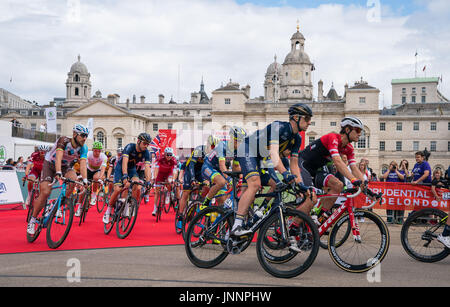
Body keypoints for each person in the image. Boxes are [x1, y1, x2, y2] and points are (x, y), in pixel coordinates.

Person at [231, 103, 313, 237]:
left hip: (260, 157)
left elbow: (294, 165)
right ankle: (237, 226)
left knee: (276, 185)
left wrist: (299, 184)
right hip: (247, 149)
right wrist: (285, 174)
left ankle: (258, 212)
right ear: (296, 118)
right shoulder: (278, 127)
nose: (309, 122)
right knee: (255, 183)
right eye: (307, 118)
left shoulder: (297, 139)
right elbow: (274, 154)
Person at [298, 117, 369, 217]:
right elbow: (337, 162)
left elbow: (354, 168)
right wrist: (353, 180)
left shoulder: (349, 148)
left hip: (315, 170)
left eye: (361, 131)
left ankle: (319, 217)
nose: (359, 134)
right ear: (347, 130)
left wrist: (365, 184)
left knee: (338, 185)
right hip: (302, 165)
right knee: (311, 198)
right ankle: (294, 226)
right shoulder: (333, 138)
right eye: (357, 130)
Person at [27, 124, 89, 235]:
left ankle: (57, 204)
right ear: (74, 134)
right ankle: (32, 219)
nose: (85, 138)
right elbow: (58, 157)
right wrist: (58, 172)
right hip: (50, 163)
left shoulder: (83, 148)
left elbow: (83, 165)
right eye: (83, 135)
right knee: (45, 192)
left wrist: (85, 180)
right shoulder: (64, 140)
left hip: (66, 166)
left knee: (73, 179)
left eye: (86, 136)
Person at [102, 133, 152, 224]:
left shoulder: (146, 153)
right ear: (138, 141)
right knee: (117, 189)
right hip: (121, 168)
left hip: (132, 169)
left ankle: (127, 205)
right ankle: (108, 211)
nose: (146, 146)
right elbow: (124, 162)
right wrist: (125, 175)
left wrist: (148, 181)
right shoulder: (130, 147)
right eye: (144, 143)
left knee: (136, 184)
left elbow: (147, 167)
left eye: (148, 144)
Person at [201, 126, 246, 210]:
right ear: (232, 138)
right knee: (222, 182)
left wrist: (240, 178)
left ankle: (219, 220)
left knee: (222, 201)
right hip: (209, 166)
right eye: (238, 141)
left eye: (242, 141)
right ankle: (205, 202)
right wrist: (229, 179)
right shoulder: (222, 145)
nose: (240, 144)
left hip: (220, 171)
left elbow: (236, 167)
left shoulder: (238, 150)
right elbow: (222, 165)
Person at [75, 141, 108, 216]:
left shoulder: (103, 157)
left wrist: (100, 178)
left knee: (96, 178)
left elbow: (103, 168)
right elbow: (83, 165)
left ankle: (94, 195)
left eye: (99, 151)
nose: (97, 152)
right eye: (95, 150)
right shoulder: (88, 154)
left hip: (97, 171)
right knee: (83, 189)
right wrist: (81, 175)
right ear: (93, 150)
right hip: (88, 170)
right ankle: (79, 207)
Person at [152, 147, 177, 216]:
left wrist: (173, 179)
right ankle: (154, 209)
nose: (169, 156)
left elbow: (175, 172)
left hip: (169, 174)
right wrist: (154, 177)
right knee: (157, 192)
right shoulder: (160, 159)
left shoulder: (173, 161)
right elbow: (156, 169)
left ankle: (168, 194)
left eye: (170, 155)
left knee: (169, 182)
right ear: (165, 154)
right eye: (167, 155)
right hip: (160, 174)